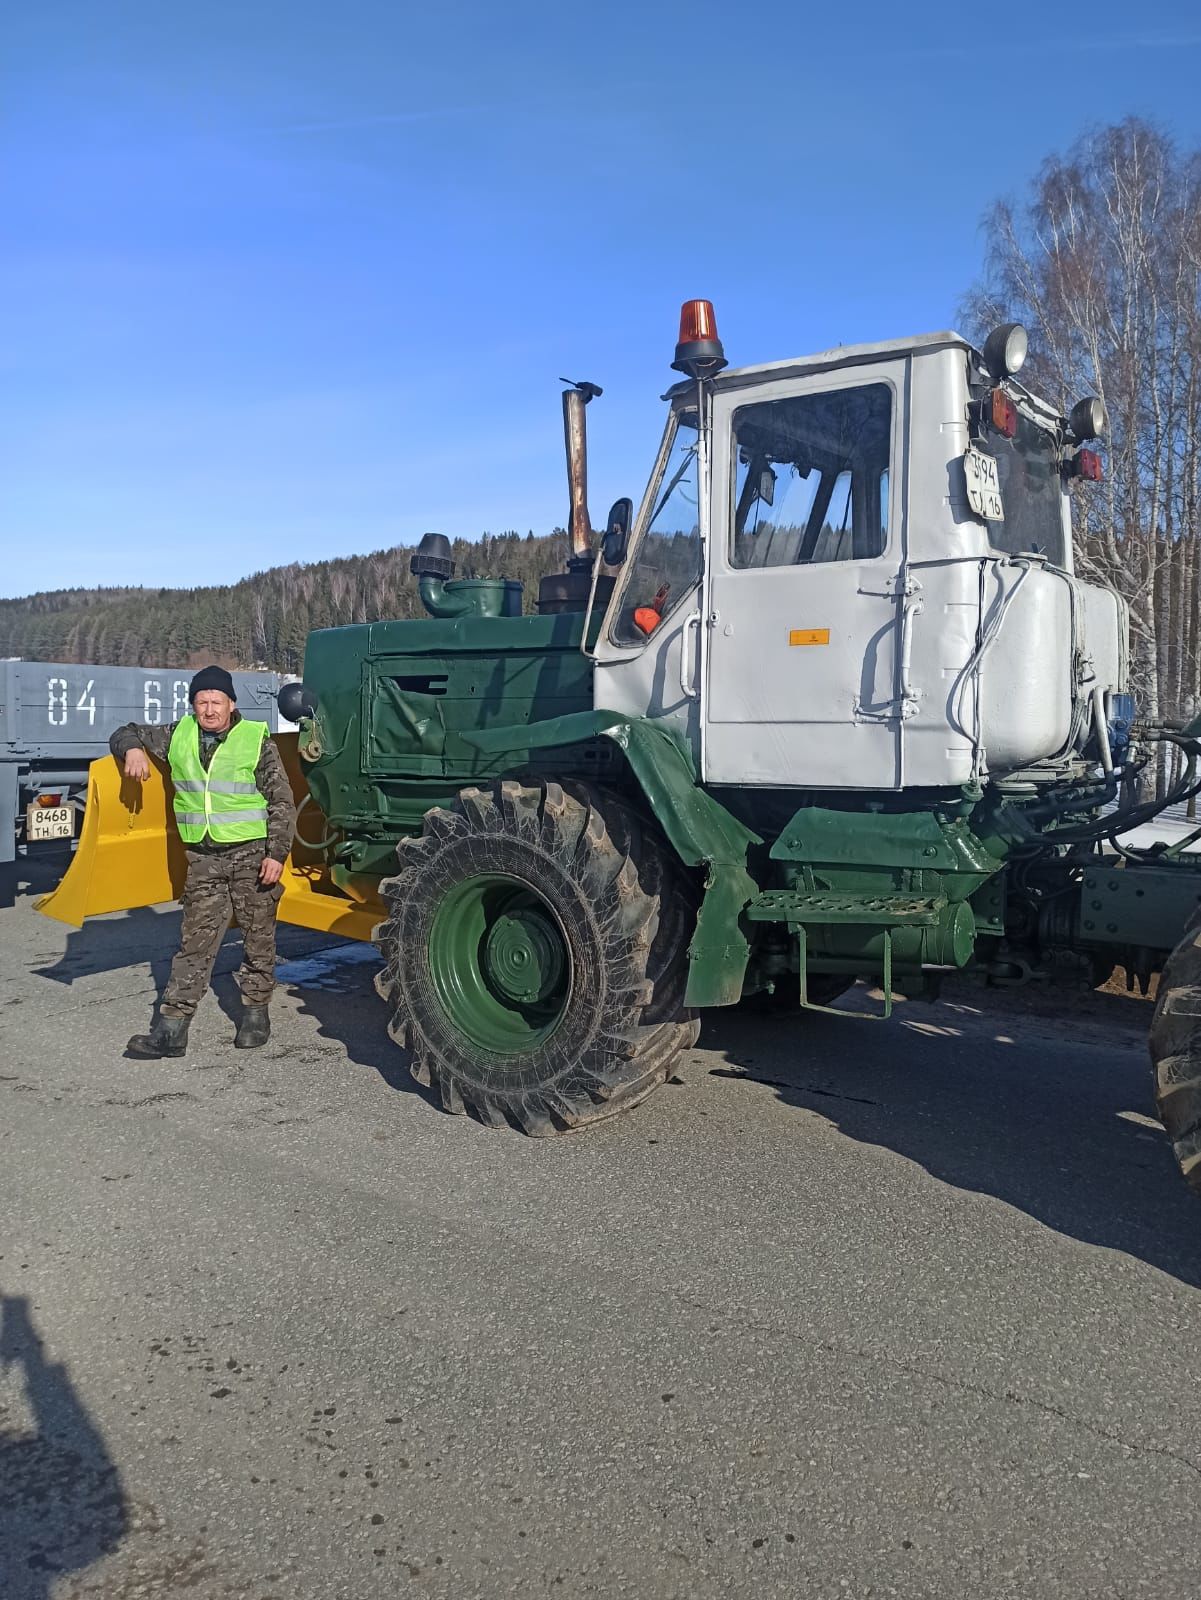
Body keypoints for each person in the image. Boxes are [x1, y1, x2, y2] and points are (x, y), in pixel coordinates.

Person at [110, 665, 297, 1059]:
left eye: (216, 701)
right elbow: (124, 730)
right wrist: (131, 750)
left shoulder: (255, 740)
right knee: (194, 945)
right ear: (192, 705)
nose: (209, 709)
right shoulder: (177, 734)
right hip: (204, 859)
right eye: (202, 702)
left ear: (231, 704)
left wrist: (276, 854)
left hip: (252, 855)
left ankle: (255, 1015)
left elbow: (282, 801)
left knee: (258, 940)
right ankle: (171, 1031)